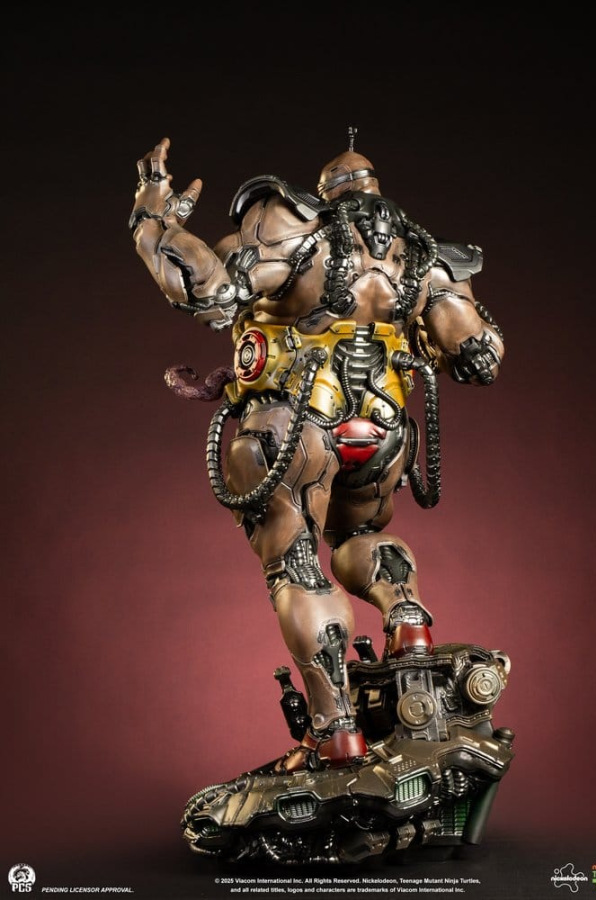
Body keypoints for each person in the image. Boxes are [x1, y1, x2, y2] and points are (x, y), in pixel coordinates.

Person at [129, 131, 504, 773]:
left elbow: (208, 291)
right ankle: (407, 620)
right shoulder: (424, 257)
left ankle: (336, 734)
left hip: (295, 425)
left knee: (296, 561)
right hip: (383, 431)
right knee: (359, 535)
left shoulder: (293, 226)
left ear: (327, 195)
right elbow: (480, 357)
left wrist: (152, 218)